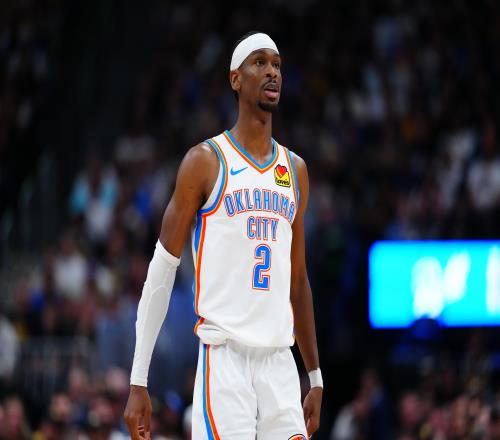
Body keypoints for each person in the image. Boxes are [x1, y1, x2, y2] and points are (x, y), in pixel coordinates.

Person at [124, 31, 323, 439]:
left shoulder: (295, 170)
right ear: (235, 78)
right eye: (260, 62)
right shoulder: (205, 162)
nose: (271, 72)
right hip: (224, 361)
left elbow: (298, 279)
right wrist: (138, 379)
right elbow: (161, 271)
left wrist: (315, 375)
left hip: (279, 363)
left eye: (277, 65)